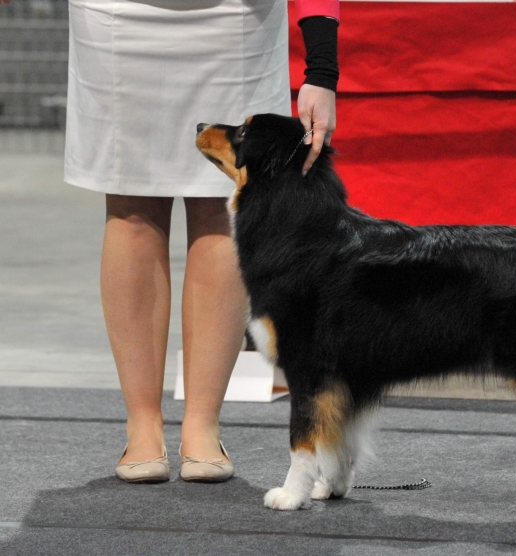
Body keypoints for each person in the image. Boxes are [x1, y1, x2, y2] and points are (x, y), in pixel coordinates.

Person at [63, 0, 340, 483]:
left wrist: (322, 66)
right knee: (130, 205)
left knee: (220, 203)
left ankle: (202, 424)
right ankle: (142, 424)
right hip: (115, 15)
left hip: (237, 18)